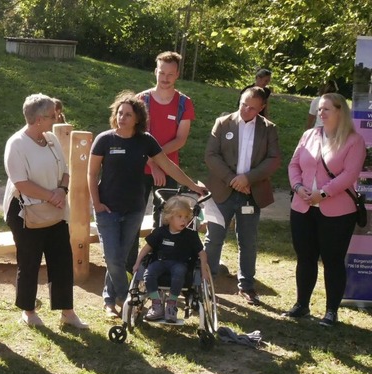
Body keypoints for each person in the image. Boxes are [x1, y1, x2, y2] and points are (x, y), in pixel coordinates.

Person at [88, 90, 206, 318]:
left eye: (128, 115)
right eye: (119, 113)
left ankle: (109, 300)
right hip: (107, 209)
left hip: (134, 208)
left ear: (138, 119)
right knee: (111, 257)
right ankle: (126, 298)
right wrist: (97, 203)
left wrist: (193, 185)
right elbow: (91, 174)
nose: (122, 118)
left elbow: (169, 167)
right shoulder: (104, 139)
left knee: (120, 258)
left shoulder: (145, 141)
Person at [2, 93, 88, 328]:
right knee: (29, 261)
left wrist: (61, 190)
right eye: (52, 115)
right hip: (25, 213)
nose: (56, 118)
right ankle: (28, 311)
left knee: (62, 259)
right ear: (38, 119)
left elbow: (65, 170)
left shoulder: (51, 138)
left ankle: (67, 312)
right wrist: (52, 195)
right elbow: (21, 183)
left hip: (56, 209)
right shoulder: (16, 144)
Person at [285, 93, 365, 326]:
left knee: (333, 260)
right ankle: (301, 305)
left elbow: (349, 174)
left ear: (340, 111)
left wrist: (323, 193)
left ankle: (331, 311)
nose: (321, 113)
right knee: (305, 257)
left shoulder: (354, 140)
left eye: (326, 109)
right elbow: (293, 165)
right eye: (319, 109)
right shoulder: (309, 135)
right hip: (302, 206)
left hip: (337, 211)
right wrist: (298, 187)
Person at [204, 86, 281, 306]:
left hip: (251, 194)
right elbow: (210, 155)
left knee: (248, 241)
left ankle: (247, 286)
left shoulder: (269, 129)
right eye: (243, 104)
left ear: (262, 108)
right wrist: (233, 179)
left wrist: (248, 178)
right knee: (214, 239)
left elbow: (273, 159)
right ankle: (206, 284)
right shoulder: (223, 123)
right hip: (222, 191)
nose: (246, 109)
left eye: (252, 107)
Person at [127, 51, 195, 273]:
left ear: (177, 75)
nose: (165, 78)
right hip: (139, 168)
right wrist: (153, 163)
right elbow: (135, 136)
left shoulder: (184, 103)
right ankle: (131, 269)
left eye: (170, 74)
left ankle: (159, 265)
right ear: (155, 71)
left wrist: (158, 161)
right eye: (161, 72)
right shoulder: (141, 100)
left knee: (166, 220)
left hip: (169, 170)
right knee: (133, 219)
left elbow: (181, 139)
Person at [132, 196, 210, 323]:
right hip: (160, 262)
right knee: (149, 274)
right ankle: (156, 304)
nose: (183, 220)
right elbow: (146, 248)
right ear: (169, 217)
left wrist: (204, 272)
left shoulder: (190, 235)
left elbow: (202, 253)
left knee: (179, 273)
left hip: (180, 263)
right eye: (179, 217)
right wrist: (137, 263)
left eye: (186, 217)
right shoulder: (160, 232)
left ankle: (171, 304)